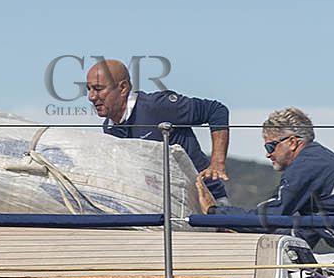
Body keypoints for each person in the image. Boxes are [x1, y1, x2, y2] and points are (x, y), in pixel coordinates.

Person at [196, 107, 334, 262]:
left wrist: (215, 213)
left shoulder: (307, 165)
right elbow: (303, 234)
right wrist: (239, 230)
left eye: (270, 145)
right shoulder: (316, 162)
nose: (267, 153)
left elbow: (271, 217)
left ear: (292, 142)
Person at [85, 59, 230, 201]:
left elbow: (216, 110)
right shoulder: (109, 128)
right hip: (164, 205)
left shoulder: (158, 106)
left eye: (98, 89)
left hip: (209, 199)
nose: (91, 97)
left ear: (123, 88)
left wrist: (217, 162)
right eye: (88, 89)